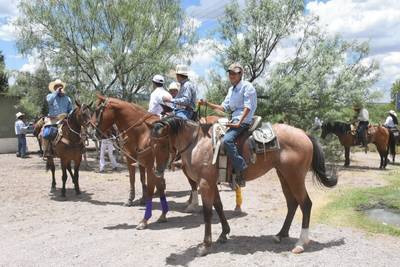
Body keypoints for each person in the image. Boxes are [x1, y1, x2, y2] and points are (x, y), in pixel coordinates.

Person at [198, 62, 257, 188]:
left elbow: (248, 107)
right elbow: (224, 107)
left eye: (234, 73)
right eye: (230, 73)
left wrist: (239, 122)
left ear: (241, 74)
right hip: (234, 120)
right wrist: (207, 103)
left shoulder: (247, 86)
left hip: (244, 120)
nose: (231, 76)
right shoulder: (231, 89)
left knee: (227, 141)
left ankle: (242, 168)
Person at [42, 79, 73, 157]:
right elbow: (49, 101)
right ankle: (47, 150)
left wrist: (70, 114)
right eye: (58, 87)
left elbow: (70, 109)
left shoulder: (67, 98)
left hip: (65, 119)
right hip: (53, 119)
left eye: (61, 86)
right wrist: (56, 92)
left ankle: (78, 148)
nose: (60, 88)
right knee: (46, 133)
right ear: (55, 88)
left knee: (78, 130)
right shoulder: (50, 96)